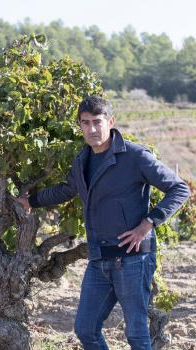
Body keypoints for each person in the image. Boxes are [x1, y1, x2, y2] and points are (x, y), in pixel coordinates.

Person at [17, 96, 190, 350]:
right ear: (80, 126)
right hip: (98, 260)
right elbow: (66, 190)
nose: (92, 129)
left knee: (136, 334)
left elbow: (179, 189)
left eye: (97, 122)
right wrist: (31, 199)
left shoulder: (135, 156)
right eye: (85, 123)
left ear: (110, 121)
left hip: (132, 259)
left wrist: (148, 223)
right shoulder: (82, 160)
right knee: (85, 329)